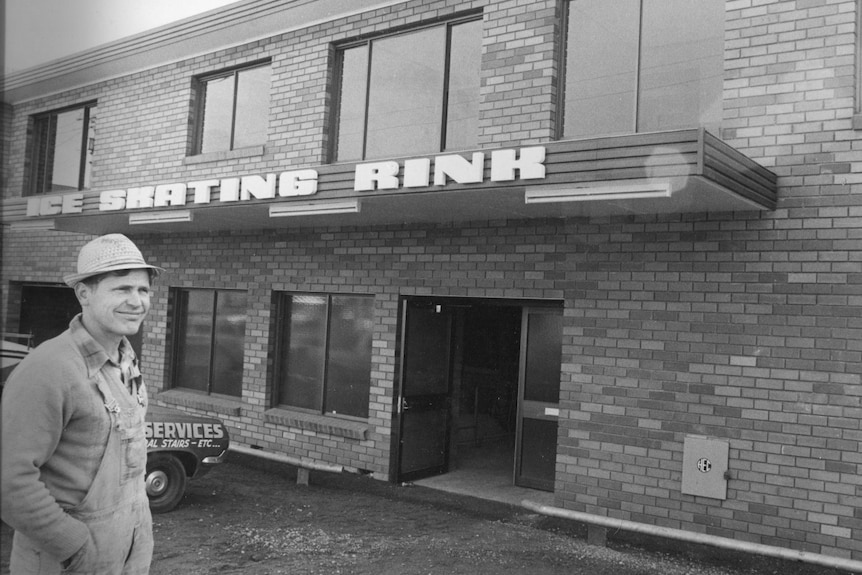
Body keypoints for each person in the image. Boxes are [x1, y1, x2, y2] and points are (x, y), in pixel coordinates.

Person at [1, 234, 164, 575]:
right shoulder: (50, 368)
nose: (137, 301)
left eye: (143, 290)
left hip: (126, 554)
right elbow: (10, 481)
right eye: (122, 289)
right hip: (65, 564)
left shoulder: (124, 358)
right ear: (84, 294)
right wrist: (73, 546)